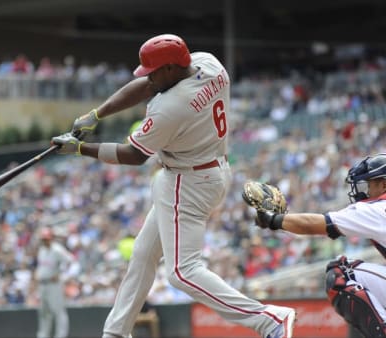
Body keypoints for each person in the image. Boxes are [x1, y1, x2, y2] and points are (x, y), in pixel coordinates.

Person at [51, 33, 296, 338]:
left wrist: (79, 149)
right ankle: (115, 333)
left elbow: (134, 155)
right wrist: (97, 114)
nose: (148, 77)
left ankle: (267, 318)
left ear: (169, 70)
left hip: (187, 181)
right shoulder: (209, 63)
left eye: (153, 71)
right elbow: (149, 84)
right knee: (143, 254)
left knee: (183, 271)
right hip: (209, 169)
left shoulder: (171, 106)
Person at [255, 153, 386, 337]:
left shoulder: (377, 208)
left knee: (341, 273)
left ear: (384, 184)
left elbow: (315, 224)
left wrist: (272, 219)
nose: (365, 190)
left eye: (369, 183)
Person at [35, 227, 75, 338]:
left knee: (58, 312)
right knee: (44, 313)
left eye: (46, 239)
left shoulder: (57, 249)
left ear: (51, 238)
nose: (44, 241)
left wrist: (61, 274)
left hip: (54, 285)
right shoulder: (42, 250)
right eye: (43, 239)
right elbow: (42, 267)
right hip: (42, 284)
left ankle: (61, 335)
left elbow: (70, 261)